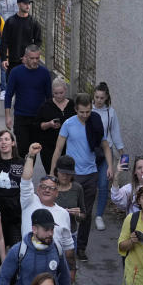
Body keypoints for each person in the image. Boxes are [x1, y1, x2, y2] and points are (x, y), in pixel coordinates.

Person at [50, 93, 114, 261]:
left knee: (85, 214)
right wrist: (52, 173)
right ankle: (62, 244)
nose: (85, 115)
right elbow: (58, 149)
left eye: (88, 112)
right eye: (82, 112)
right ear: (76, 110)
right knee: (66, 211)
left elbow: (106, 146)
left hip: (91, 174)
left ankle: (81, 248)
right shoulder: (68, 124)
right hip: (72, 176)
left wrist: (110, 167)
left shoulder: (95, 122)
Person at [0, 209, 73, 285]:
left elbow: (65, 277)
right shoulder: (18, 251)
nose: (50, 233)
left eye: (52, 229)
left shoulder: (57, 249)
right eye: (46, 229)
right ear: (34, 229)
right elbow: (4, 278)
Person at [20, 143, 77, 270]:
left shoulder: (63, 213)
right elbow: (25, 180)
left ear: (57, 193)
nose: (47, 190)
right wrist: (30, 156)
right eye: (43, 187)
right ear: (37, 189)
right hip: (27, 265)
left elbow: (68, 246)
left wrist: (72, 270)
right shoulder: (29, 201)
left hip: (52, 266)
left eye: (51, 188)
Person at [5, 45, 52, 157]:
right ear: (25, 57)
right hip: (21, 116)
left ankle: (28, 173)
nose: (35, 61)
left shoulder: (44, 73)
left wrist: (48, 117)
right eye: (32, 58)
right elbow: (8, 95)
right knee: (22, 148)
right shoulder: (16, 72)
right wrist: (8, 116)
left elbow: (49, 96)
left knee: (33, 150)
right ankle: (22, 173)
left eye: (37, 58)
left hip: (38, 118)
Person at [92, 81, 126, 231]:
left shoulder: (110, 112)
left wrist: (121, 151)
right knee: (88, 183)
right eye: (97, 97)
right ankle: (82, 212)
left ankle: (99, 215)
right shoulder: (88, 109)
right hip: (90, 152)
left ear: (106, 98)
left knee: (104, 183)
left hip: (106, 152)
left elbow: (115, 132)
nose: (99, 100)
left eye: (102, 98)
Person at [35, 78, 76, 174]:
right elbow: (38, 125)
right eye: (56, 93)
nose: (58, 96)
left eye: (61, 93)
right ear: (52, 92)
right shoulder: (46, 106)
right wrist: (49, 124)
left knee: (66, 175)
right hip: (49, 148)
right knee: (52, 174)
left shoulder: (72, 105)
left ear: (66, 90)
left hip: (69, 147)